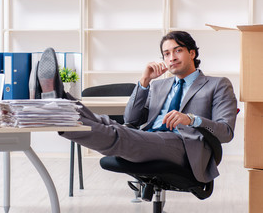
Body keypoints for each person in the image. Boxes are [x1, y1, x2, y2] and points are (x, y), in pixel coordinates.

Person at [34, 31, 237, 183]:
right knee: (106, 122)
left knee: (119, 135)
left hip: (183, 145)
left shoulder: (217, 84)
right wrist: (145, 81)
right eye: (166, 54)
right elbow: (131, 118)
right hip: (149, 137)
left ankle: (59, 111)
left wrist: (191, 119)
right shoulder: (159, 85)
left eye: (178, 50)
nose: (172, 57)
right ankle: (60, 101)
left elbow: (226, 132)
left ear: (192, 53)